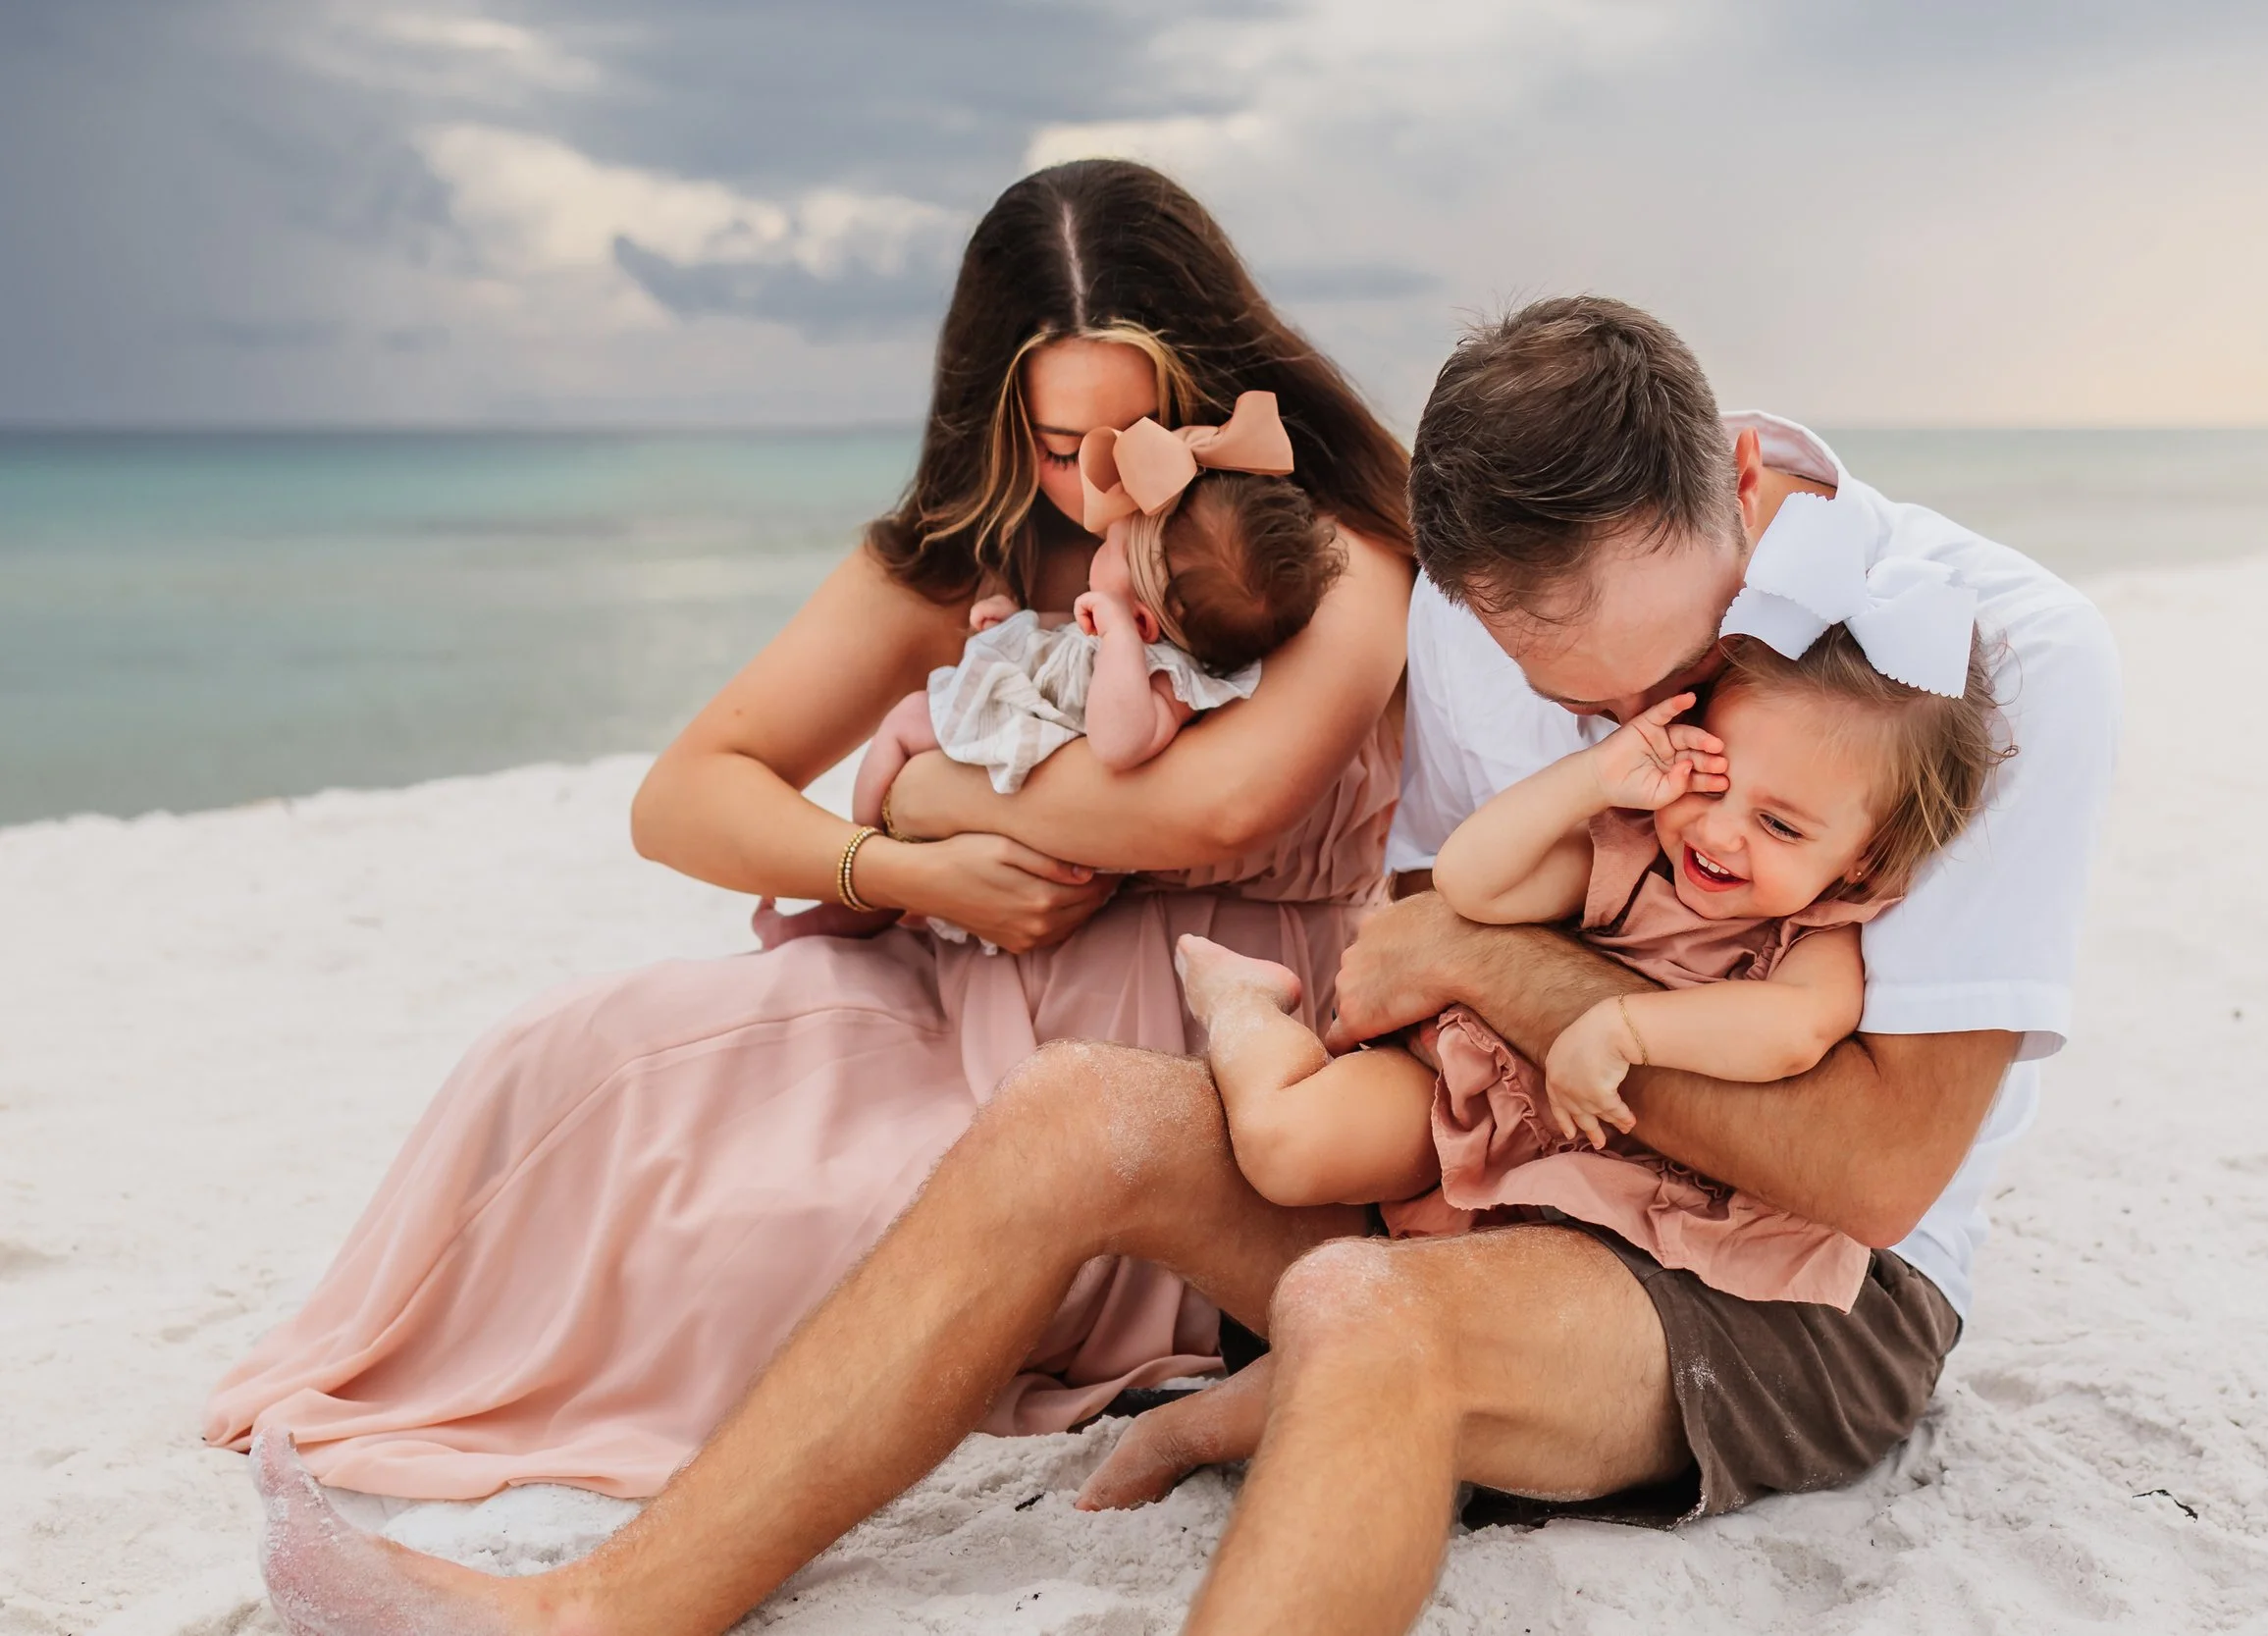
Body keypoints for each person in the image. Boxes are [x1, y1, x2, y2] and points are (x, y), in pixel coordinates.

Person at [247, 295, 2121, 1636]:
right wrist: (1457, 963)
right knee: (1073, 1116)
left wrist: (1510, 962)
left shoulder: (2002, 660)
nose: (1657, 746)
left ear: (1732, 481)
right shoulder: (1475, 630)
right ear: (1468, 597)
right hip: (1492, 1174)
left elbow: (1881, 1165)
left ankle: (1325, 1391)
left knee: (1368, 1324)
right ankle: (603, 1608)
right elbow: (1403, 968)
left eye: (1672, 667)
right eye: (1588, 706)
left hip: (1787, 1288)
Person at [202, 157, 1416, 1502]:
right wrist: (890, 854)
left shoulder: (1307, 545)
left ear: (1196, 396)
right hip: (948, 977)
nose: (1087, 488)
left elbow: (1212, 805)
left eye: (1123, 438)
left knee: (781, 1229)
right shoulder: (973, 551)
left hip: (1171, 1055)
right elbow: (683, 793)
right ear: (994, 414)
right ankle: (381, 1371)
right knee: (557, 1054)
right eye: (1053, 444)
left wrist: (927, 785)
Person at [1178, 550, 2011, 1312]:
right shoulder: (1634, 853)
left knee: (1445, 1312)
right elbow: (1472, 883)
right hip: (1490, 1092)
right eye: (1706, 779)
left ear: (1863, 862)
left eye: (1782, 827)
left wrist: (1623, 1025)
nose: (1720, 834)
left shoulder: (1816, 940)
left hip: (1627, 1170)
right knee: (1287, 1144)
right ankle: (1245, 1004)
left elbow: (1790, 1034)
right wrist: (1594, 777)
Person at [762, 392, 1344, 947]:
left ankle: (875, 870)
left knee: (907, 719)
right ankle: (878, 876)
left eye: (1114, 546)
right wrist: (1015, 622)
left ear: (1145, 621)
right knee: (914, 721)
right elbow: (1067, 644)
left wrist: (1117, 639)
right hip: (1031, 755)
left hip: (1044, 784)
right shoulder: (1139, 637)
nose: (1103, 538)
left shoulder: (1170, 681)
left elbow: (1118, 743)